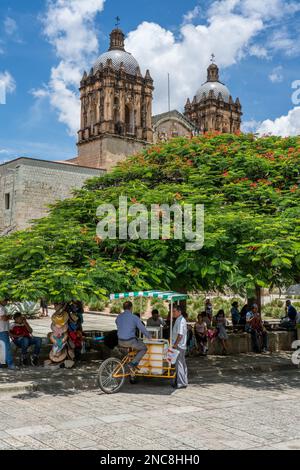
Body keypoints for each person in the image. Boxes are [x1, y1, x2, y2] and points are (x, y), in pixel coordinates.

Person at [116, 301, 151, 372]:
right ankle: (133, 363)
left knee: (133, 346)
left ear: (123, 308)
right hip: (130, 341)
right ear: (131, 308)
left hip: (120, 341)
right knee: (144, 348)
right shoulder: (134, 317)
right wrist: (149, 336)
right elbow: (142, 328)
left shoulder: (119, 317)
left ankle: (130, 363)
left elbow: (117, 323)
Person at [172, 306, 188, 389]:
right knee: (181, 363)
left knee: (179, 364)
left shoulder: (181, 321)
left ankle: (181, 383)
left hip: (179, 345)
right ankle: (183, 381)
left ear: (179, 311)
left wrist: (175, 344)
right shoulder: (179, 320)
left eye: (174, 311)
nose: (173, 313)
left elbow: (180, 335)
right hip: (180, 345)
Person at [0, 300, 15, 370]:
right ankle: (10, 364)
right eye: (5, 300)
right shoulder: (1, 308)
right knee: (7, 348)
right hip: (2, 330)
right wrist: (9, 316)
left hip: (3, 330)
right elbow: (3, 318)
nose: (6, 302)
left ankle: (2, 364)